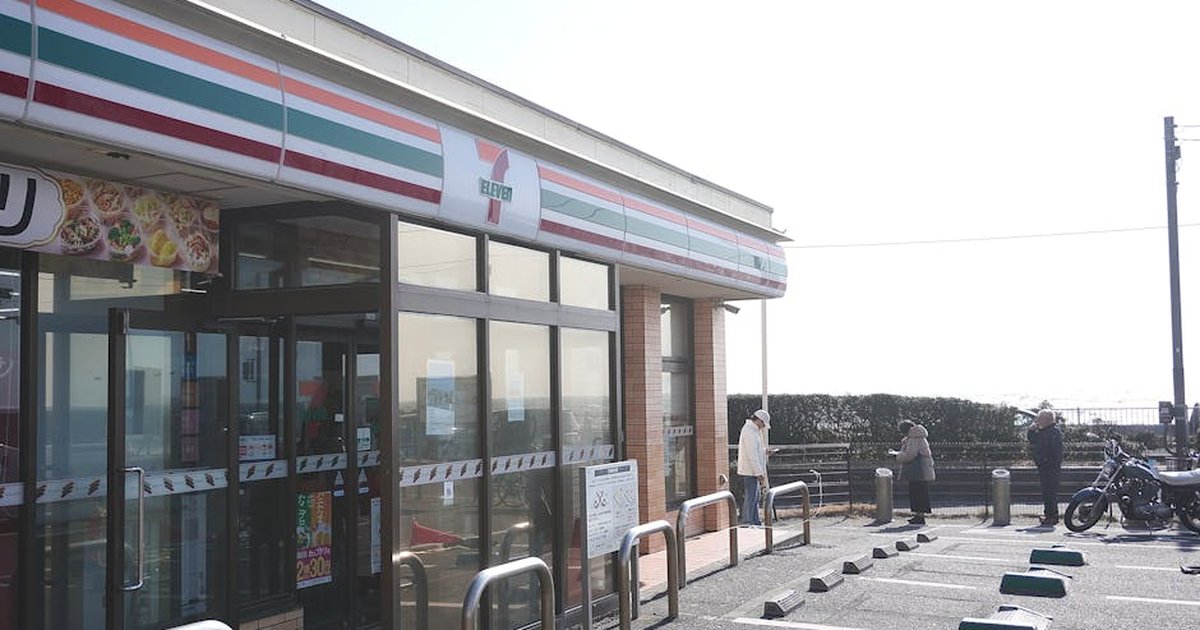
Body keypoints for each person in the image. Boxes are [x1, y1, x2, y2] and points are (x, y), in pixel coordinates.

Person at [894, 420, 935, 525]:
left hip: (918, 470)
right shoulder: (919, 437)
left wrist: (898, 455)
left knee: (917, 492)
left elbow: (910, 455)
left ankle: (919, 516)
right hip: (921, 468)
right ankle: (919, 515)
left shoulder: (913, 439)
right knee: (920, 491)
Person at [1027, 409, 1064, 526]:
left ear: (1047, 419)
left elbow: (1055, 451)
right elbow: (1033, 439)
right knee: (1047, 492)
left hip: (1050, 467)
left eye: (1040, 418)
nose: (1038, 421)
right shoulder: (1046, 431)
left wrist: (1046, 461)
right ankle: (1050, 515)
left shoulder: (1053, 432)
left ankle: (1052, 516)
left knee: (1050, 493)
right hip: (1045, 466)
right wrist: (1031, 431)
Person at [737, 409, 771, 526]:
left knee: (754, 497)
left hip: (751, 470)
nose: (763, 427)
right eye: (763, 424)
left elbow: (755, 451)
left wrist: (764, 451)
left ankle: (755, 521)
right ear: (759, 421)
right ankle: (748, 522)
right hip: (750, 471)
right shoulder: (749, 432)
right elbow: (752, 455)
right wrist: (759, 473)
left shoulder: (752, 430)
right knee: (751, 498)